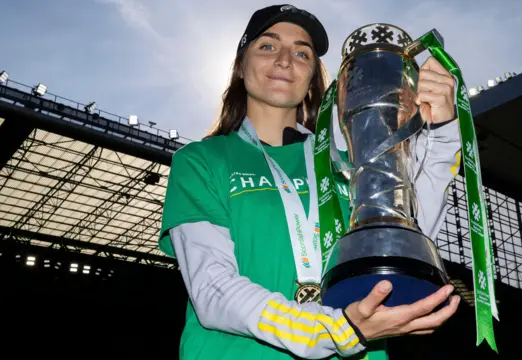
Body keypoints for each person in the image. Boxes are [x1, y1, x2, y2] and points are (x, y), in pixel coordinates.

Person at [158, 4, 463, 360]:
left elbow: (404, 237)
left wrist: (442, 133)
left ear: (313, 78)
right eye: (268, 46)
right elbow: (212, 289)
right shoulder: (202, 161)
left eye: (302, 53)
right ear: (241, 66)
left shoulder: (346, 161)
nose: (285, 60)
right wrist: (338, 330)